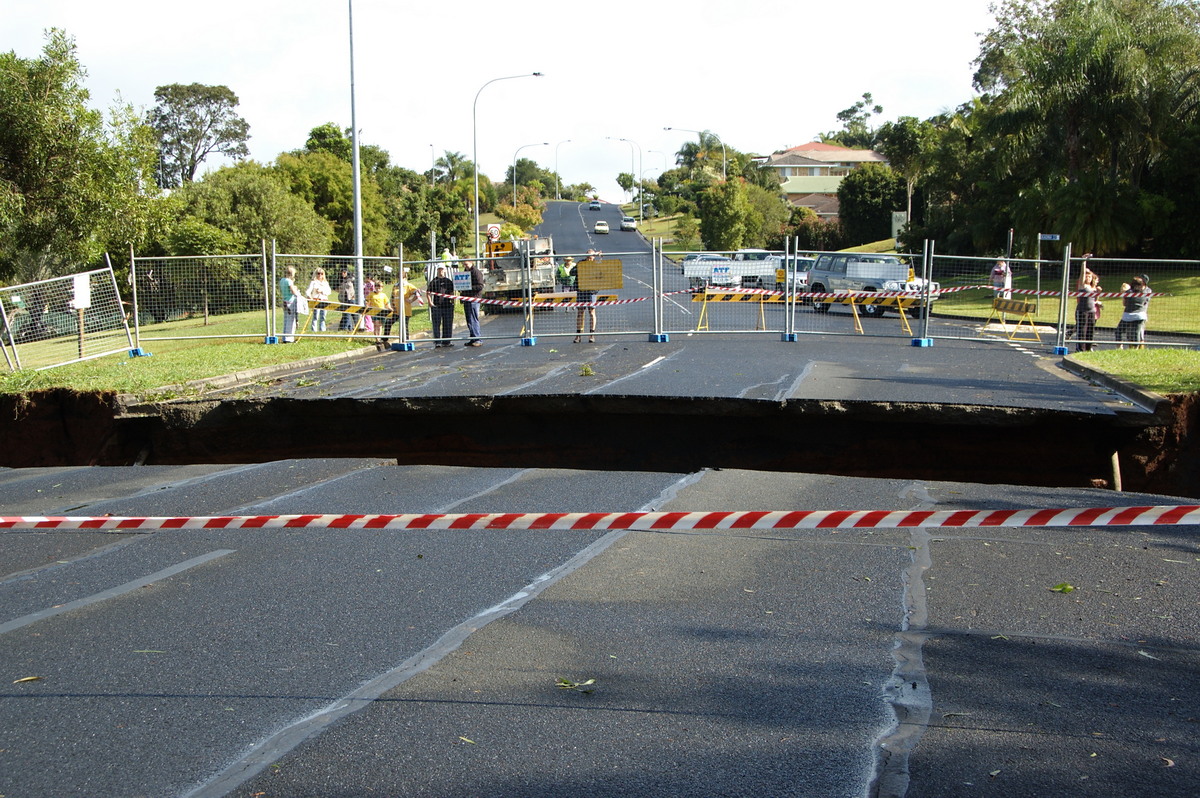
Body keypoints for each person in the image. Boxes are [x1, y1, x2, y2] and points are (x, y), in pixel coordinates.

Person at [384, 268, 421, 344]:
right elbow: (392, 296)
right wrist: (392, 306)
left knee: (404, 326)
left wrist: (411, 300)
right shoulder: (395, 286)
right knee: (388, 322)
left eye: (402, 278)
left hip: (405, 310)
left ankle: (405, 340)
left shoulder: (409, 286)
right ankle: (385, 339)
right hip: (396, 310)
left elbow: (418, 294)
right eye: (398, 278)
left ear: (405, 277)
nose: (400, 279)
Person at [1115, 275, 1151, 349]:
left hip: (1135, 316)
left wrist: (1124, 293)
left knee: (1132, 333)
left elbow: (1125, 303)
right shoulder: (1148, 291)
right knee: (1134, 333)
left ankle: (1131, 348)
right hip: (1131, 316)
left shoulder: (1130, 292)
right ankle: (1132, 348)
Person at [427, 263, 456, 347]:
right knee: (436, 325)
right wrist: (430, 302)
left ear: (445, 270)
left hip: (447, 306)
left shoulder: (448, 281)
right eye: (439, 269)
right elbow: (428, 293)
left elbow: (451, 293)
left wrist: (452, 301)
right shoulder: (434, 281)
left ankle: (447, 341)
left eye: (442, 269)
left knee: (447, 324)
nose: (441, 271)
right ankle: (437, 342)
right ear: (437, 270)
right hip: (437, 306)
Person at [574, 249, 600, 343]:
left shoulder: (597, 265)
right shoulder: (581, 263)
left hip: (592, 291)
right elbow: (572, 273)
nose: (589, 258)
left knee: (592, 312)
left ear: (594, 256)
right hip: (581, 290)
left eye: (591, 256)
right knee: (580, 312)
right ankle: (578, 335)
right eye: (588, 256)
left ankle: (592, 335)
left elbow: (602, 275)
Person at [1074, 266, 1101, 352]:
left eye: (1089, 276)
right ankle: (1080, 348)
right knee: (1082, 330)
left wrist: (1099, 292)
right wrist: (1084, 261)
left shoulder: (1093, 287)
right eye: (1086, 276)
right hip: (1082, 310)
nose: (1088, 278)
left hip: (1092, 311)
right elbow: (1082, 274)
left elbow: (1095, 300)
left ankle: (1088, 348)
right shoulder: (1082, 286)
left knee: (1090, 330)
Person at [461, 258, 484, 346]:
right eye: (464, 264)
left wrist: (468, 287)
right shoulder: (465, 272)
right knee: (469, 320)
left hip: (474, 299)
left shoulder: (476, 272)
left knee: (473, 319)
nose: (465, 266)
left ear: (471, 263)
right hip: (466, 299)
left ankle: (477, 339)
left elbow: (480, 286)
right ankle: (473, 338)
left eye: (466, 264)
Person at [279, 265, 303, 343]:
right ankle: (289, 338)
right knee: (291, 321)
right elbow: (293, 291)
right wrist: (297, 293)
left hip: (285, 301)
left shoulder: (282, 280)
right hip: (290, 302)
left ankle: (284, 337)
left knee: (286, 320)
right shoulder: (289, 281)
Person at [364, 279, 390, 348]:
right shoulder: (371, 294)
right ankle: (377, 339)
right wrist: (367, 304)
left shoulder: (383, 295)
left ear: (382, 288)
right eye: (377, 287)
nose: (378, 289)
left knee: (380, 325)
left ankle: (379, 337)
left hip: (382, 312)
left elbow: (387, 303)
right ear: (375, 287)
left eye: (380, 287)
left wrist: (389, 308)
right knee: (376, 324)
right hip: (374, 312)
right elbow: (367, 300)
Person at [305, 268, 331, 332]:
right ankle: (314, 330)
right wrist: (310, 297)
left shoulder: (325, 283)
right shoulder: (313, 282)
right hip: (316, 300)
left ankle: (322, 330)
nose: (320, 275)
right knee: (315, 317)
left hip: (324, 300)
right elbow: (308, 291)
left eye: (321, 274)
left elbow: (329, 291)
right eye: (318, 273)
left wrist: (322, 291)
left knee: (323, 317)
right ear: (316, 274)